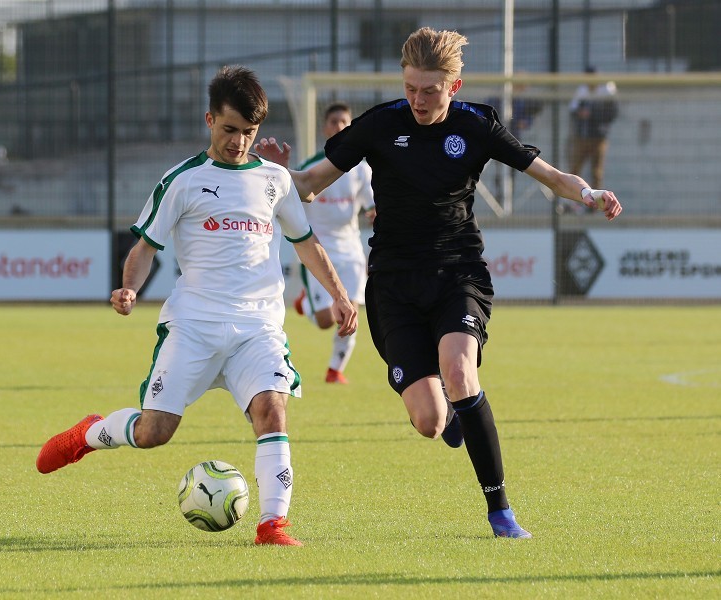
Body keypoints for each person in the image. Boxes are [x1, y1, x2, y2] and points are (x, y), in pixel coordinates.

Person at [255, 27, 622, 539]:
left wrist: (589, 193)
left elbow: (554, 176)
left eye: (430, 90)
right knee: (429, 420)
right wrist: (274, 173)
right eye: (410, 87)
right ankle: (451, 419)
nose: (418, 100)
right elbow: (311, 185)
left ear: (455, 86)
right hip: (394, 284)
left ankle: (501, 513)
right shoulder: (381, 124)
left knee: (458, 368)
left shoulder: (477, 124)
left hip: (457, 272)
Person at [36, 65, 358, 547]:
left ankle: (273, 525)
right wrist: (129, 288)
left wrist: (339, 294)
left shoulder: (275, 180)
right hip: (194, 325)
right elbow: (145, 246)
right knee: (153, 432)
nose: (239, 142)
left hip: (258, 328)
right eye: (230, 130)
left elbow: (305, 242)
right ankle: (90, 432)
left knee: (272, 410)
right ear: (210, 120)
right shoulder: (182, 180)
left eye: (249, 133)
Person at [291, 102, 375, 384]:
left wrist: (376, 214)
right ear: (325, 128)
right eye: (334, 122)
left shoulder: (362, 170)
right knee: (327, 319)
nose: (339, 127)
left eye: (344, 122)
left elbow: (370, 205)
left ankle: (334, 369)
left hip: (351, 250)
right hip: (319, 250)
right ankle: (306, 301)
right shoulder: (310, 168)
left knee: (350, 312)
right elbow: (292, 204)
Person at [568, 66, 618, 209]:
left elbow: (612, 113)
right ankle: (574, 204)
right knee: (575, 169)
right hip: (582, 138)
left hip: (598, 138)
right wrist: (580, 113)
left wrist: (593, 115)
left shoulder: (607, 90)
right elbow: (573, 110)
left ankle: (596, 206)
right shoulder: (582, 91)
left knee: (596, 172)